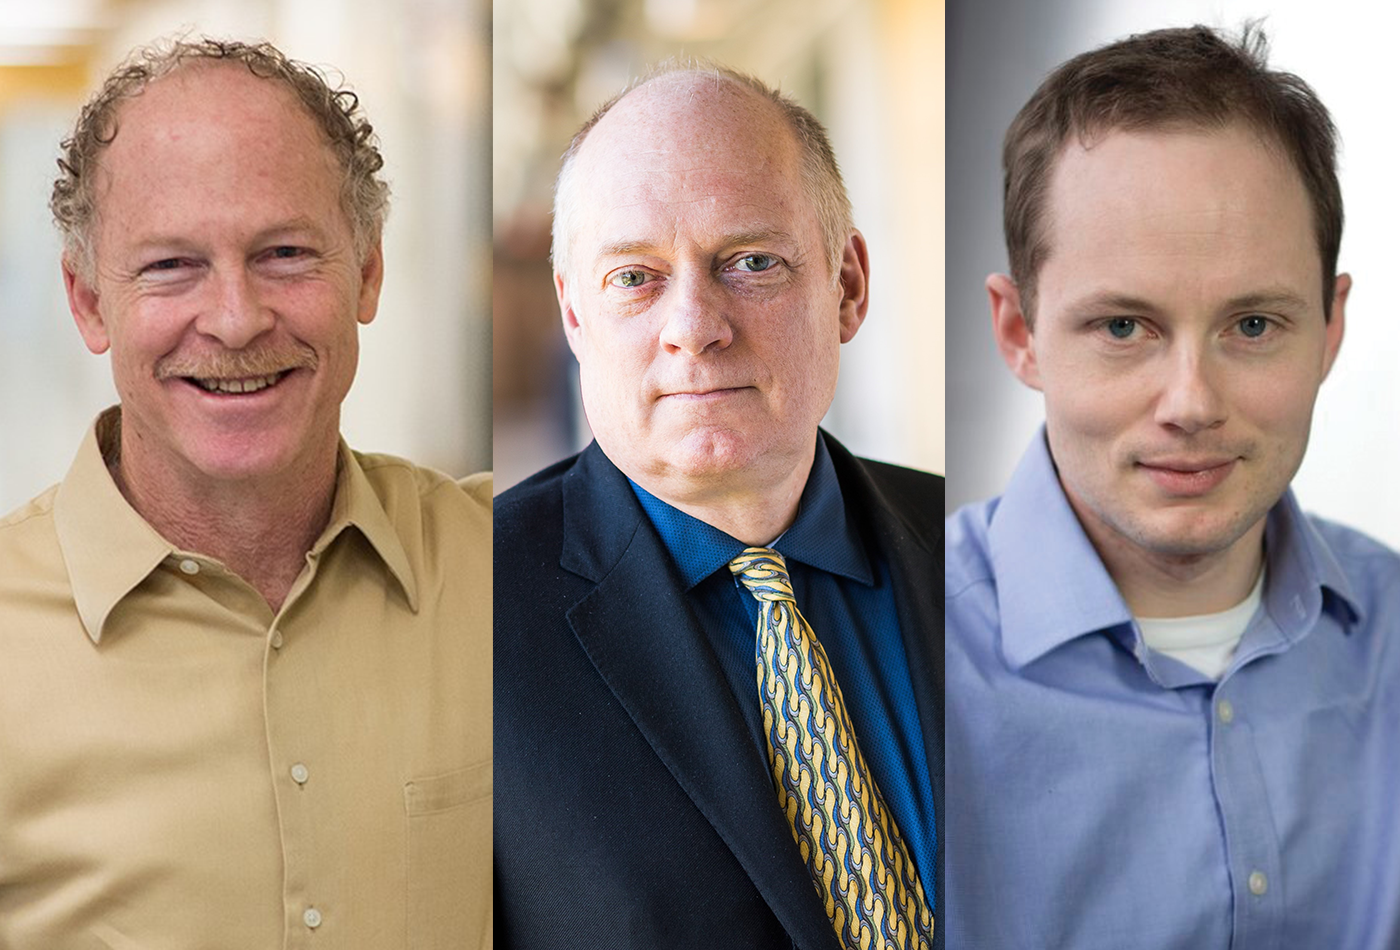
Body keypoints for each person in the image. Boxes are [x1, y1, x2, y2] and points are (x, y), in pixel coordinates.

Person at [0, 37, 491, 949]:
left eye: (286, 253)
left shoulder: (510, 569)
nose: (233, 319)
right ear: (88, 303)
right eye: (170, 266)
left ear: (369, 273)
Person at [945, 23, 1400, 949]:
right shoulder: (898, 668)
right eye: (1123, 327)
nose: (1191, 403)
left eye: (1255, 324)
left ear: (1330, 327)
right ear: (1019, 333)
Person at [494, 64, 943, 949]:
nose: (694, 325)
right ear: (574, 315)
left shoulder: (979, 549)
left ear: (847, 285)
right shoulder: (461, 618)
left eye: (750, 262)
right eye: (634, 277)